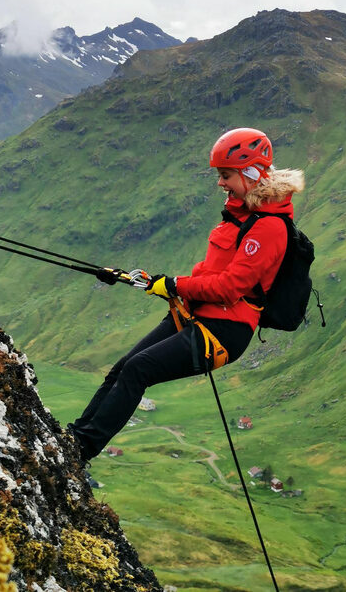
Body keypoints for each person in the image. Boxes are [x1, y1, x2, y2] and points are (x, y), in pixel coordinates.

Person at [68, 127, 305, 463]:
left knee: (139, 370)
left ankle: (80, 450)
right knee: (122, 369)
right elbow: (212, 270)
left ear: (251, 174)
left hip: (224, 330)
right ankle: (74, 437)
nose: (220, 183)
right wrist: (165, 285)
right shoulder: (242, 215)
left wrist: (175, 285)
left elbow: (230, 287)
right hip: (196, 314)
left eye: (226, 176)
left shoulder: (269, 228)